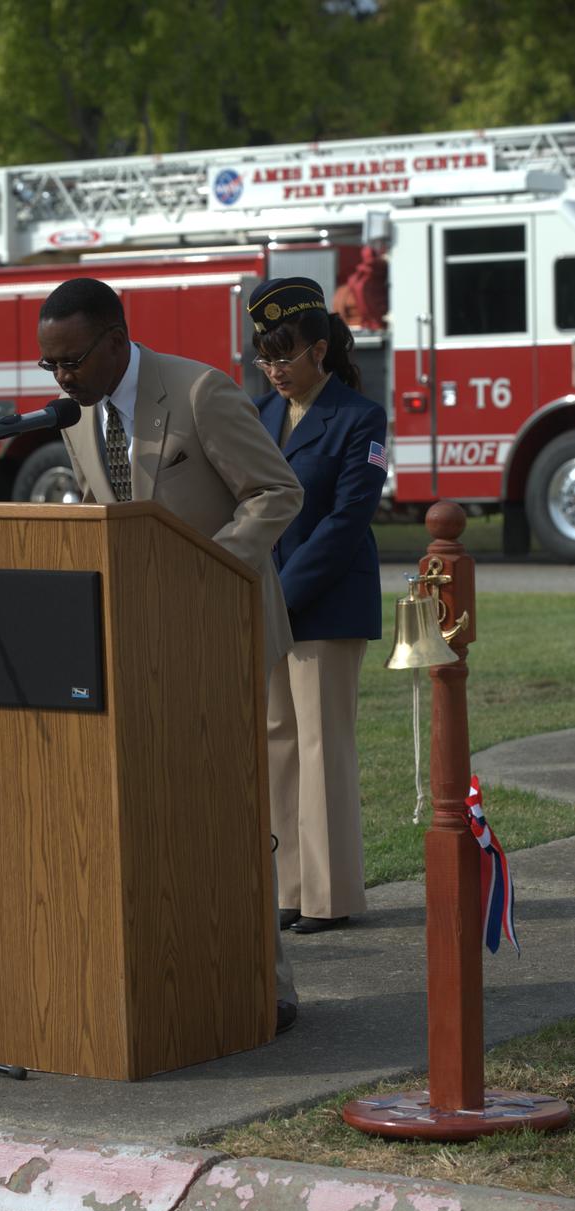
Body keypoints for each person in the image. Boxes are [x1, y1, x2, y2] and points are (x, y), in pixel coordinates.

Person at [37, 276, 304, 1034]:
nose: (62, 379)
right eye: (49, 367)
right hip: (138, 645)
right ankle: (183, 970)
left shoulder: (197, 393)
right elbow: (103, 518)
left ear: (117, 341)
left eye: (72, 361)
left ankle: (266, 984)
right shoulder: (76, 419)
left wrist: (204, 567)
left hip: (220, 631)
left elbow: (276, 493)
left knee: (231, 814)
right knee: (163, 816)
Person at [247, 276, 387, 935]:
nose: (274, 370)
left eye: (285, 355)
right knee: (277, 742)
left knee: (321, 745)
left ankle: (332, 897)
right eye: (264, 357)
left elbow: (342, 522)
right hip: (268, 602)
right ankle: (292, 888)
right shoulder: (258, 415)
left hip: (324, 605)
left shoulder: (360, 418)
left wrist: (280, 593)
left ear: (320, 350)